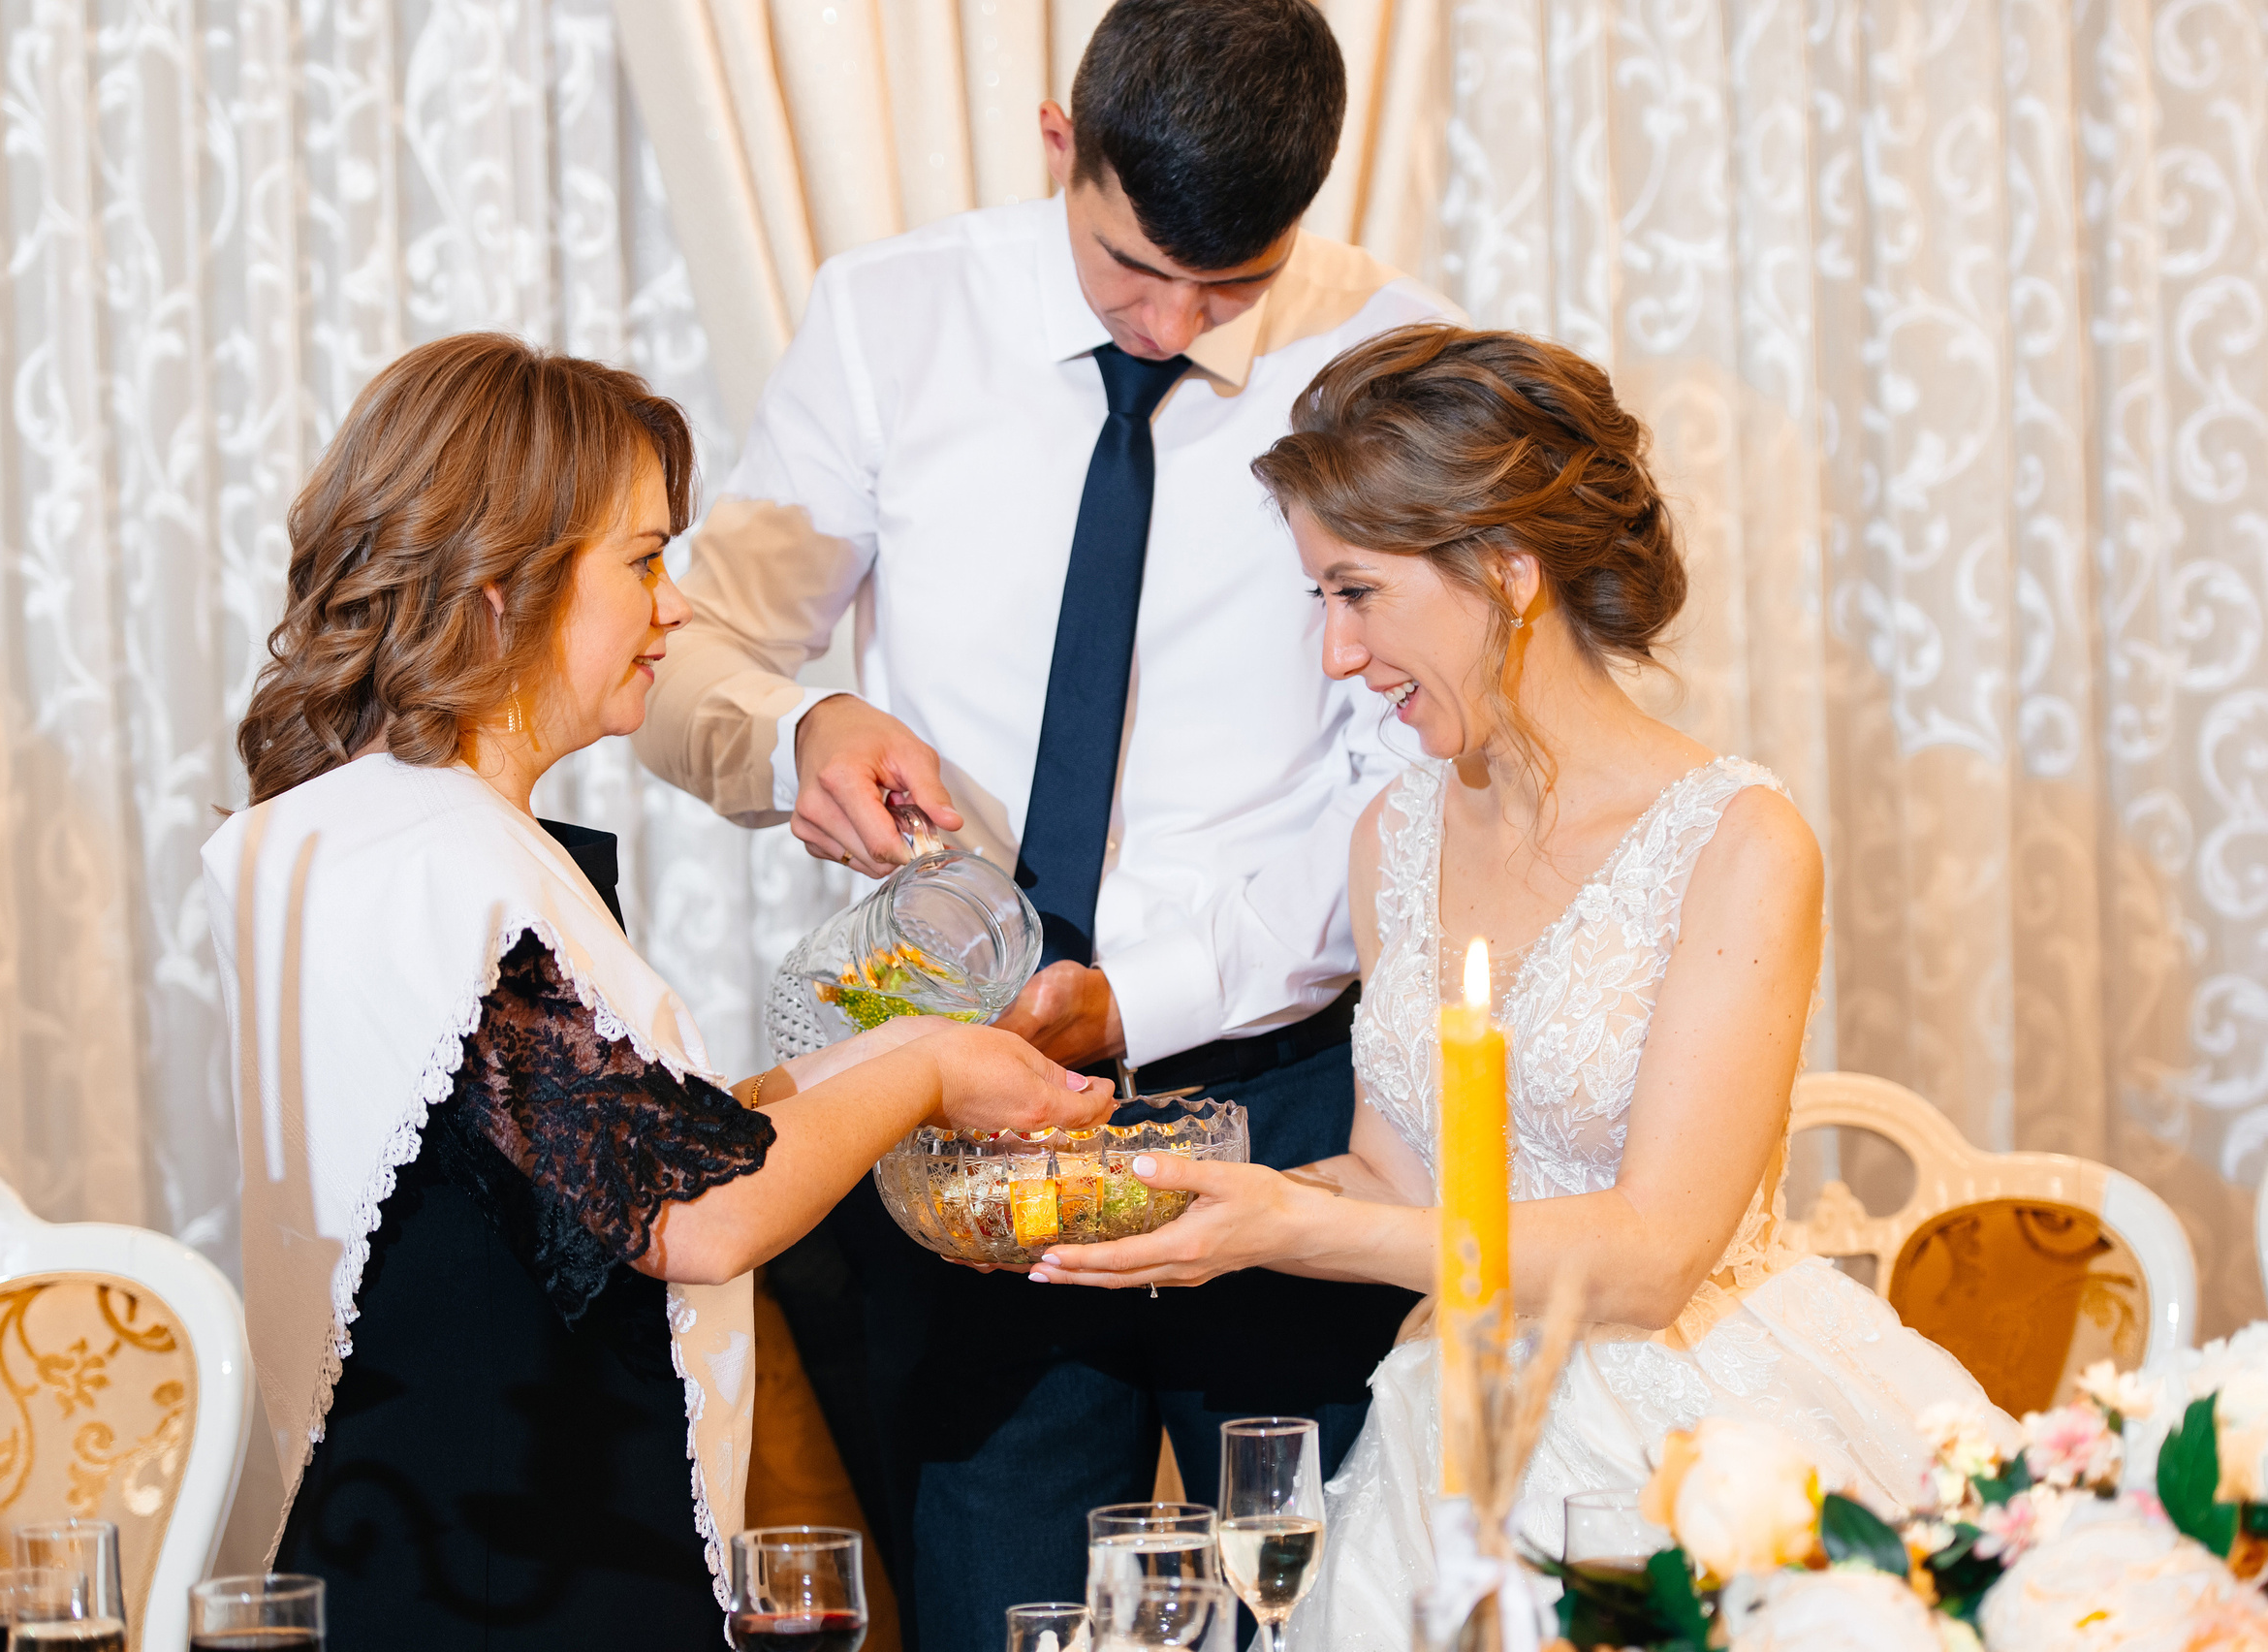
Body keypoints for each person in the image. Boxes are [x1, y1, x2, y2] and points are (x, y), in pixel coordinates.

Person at [633, 3, 1461, 1641]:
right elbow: (686, 650)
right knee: (1000, 1598)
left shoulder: (1394, 361)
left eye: (1228, 290)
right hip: (960, 1123)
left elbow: (1412, 793)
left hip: (1298, 1105)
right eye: (1127, 267)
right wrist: (806, 720)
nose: (1166, 324)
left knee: (1322, 1602)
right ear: (1052, 140)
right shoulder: (888, 321)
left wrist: (1133, 995)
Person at [1026, 324, 2016, 1649]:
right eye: (1319, 599)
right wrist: (1165, 1188)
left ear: (1504, 570)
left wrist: (1287, 1231)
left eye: (1356, 593)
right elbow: (1396, 1178)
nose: (1334, 654)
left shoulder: (1736, 841)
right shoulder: (1397, 833)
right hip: (1456, 1434)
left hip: (1700, 1445)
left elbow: (1657, 1257)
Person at [202, 334, 1111, 1648]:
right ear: (502, 589)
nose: (674, 609)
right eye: (641, 562)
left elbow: (582, 1158)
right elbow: (690, 1214)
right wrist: (924, 1071)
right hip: (502, 1563)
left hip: (434, 1523)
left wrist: (882, 1054)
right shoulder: (444, 861)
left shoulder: (372, 835)